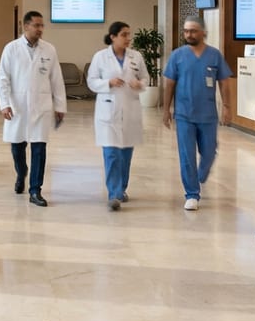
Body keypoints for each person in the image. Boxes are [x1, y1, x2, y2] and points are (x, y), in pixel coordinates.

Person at [162, 16, 234, 211]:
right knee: (187, 155)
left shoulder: (214, 55)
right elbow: (170, 83)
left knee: (209, 152)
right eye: (186, 31)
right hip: (184, 114)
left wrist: (227, 107)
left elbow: (224, 82)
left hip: (208, 114)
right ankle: (192, 194)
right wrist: (166, 109)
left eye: (193, 31)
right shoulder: (177, 55)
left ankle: (201, 175)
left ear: (203, 32)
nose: (189, 34)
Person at [0, 10, 66, 207]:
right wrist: (4, 104)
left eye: (42, 25)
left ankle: (35, 190)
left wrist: (60, 105)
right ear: (25, 26)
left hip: (41, 106)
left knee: (39, 148)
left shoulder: (49, 50)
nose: (40, 29)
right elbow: (3, 78)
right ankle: (21, 173)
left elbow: (56, 79)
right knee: (17, 148)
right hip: (17, 106)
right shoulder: (11, 48)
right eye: (36, 25)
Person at [87, 21, 149, 211]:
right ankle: (114, 194)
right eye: (124, 35)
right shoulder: (100, 57)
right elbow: (91, 81)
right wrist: (108, 83)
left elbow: (145, 77)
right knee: (111, 153)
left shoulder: (136, 56)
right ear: (113, 37)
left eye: (129, 34)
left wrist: (140, 84)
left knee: (125, 155)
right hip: (108, 110)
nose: (128, 38)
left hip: (130, 109)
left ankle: (121, 189)